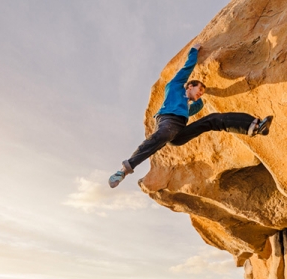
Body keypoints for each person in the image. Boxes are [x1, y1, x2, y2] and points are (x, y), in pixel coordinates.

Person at [108, 43, 272, 188]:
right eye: (199, 90)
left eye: (202, 92)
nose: (200, 94)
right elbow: (187, 68)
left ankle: (255, 126)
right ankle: (124, 170)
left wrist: (209, 91)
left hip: (179, 133)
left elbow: (198, 106)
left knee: (213, 120)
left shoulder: (188, 108)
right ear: (189, 86)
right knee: (162, 135)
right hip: (167, 121)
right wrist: (194, 51)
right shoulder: (175, 87)